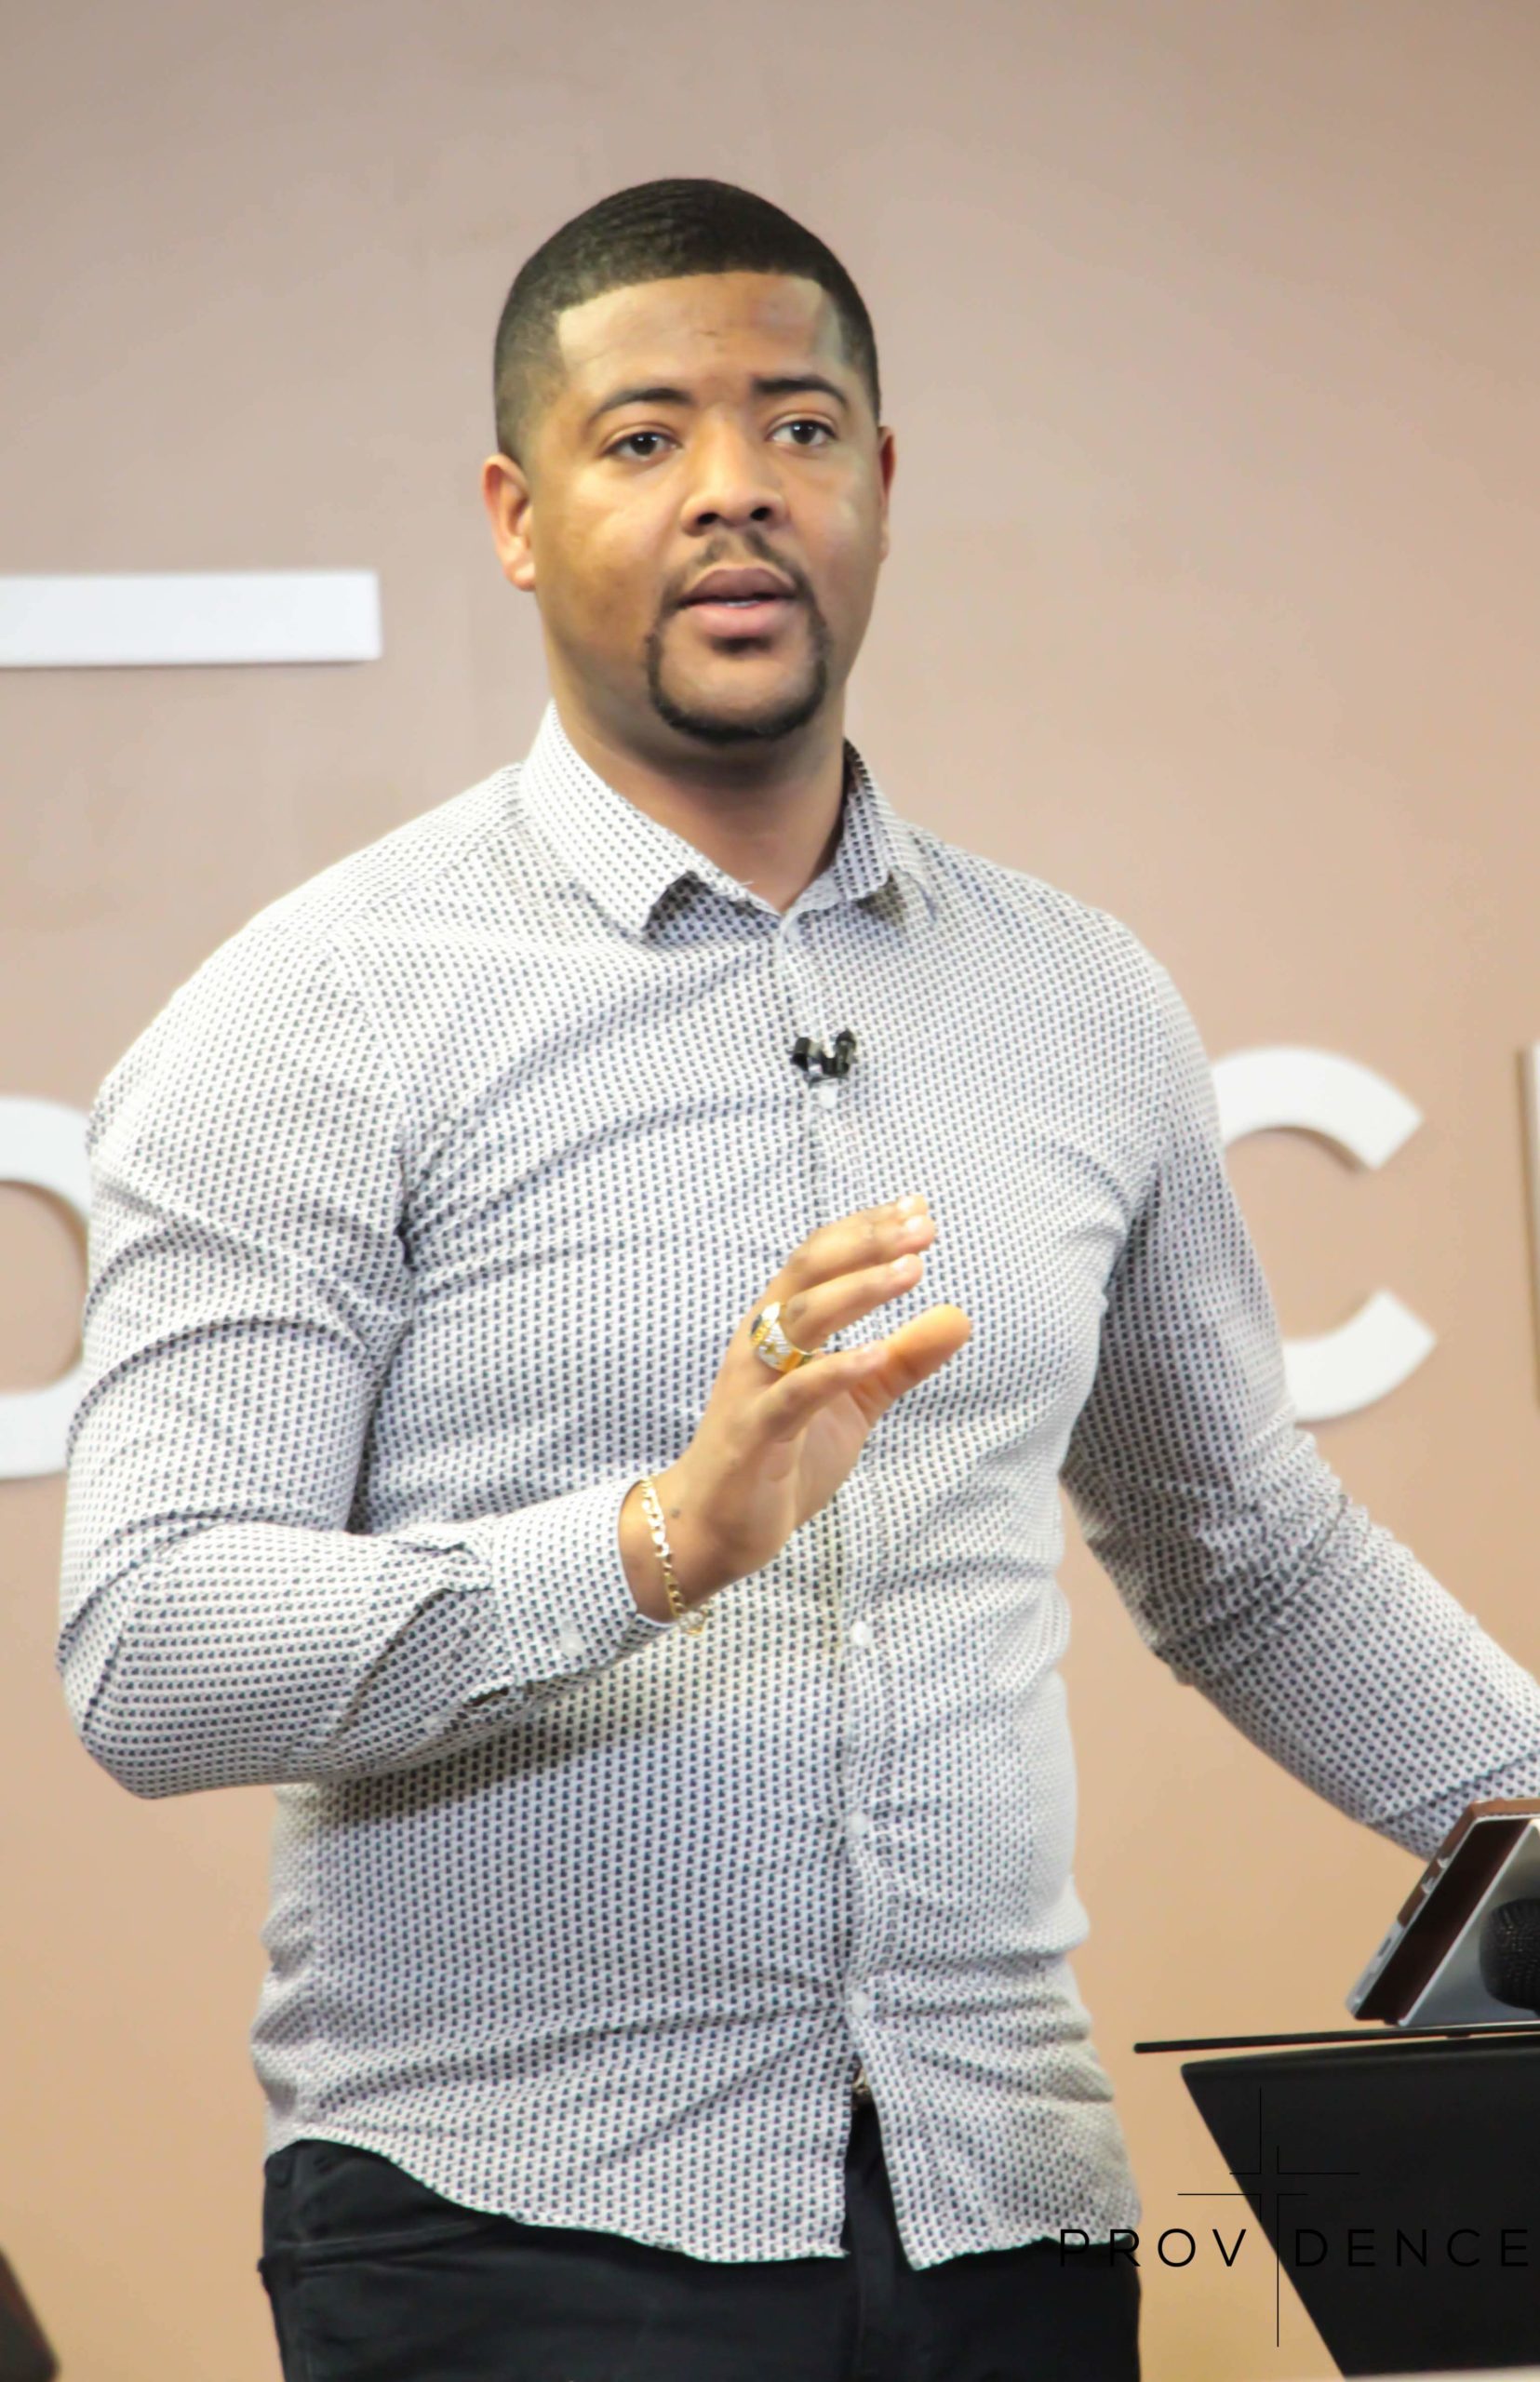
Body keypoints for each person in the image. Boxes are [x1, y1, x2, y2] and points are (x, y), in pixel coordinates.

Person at [56, 177, 1540, 2382]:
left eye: (801, 426)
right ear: (517, 515)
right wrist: (656, 1537)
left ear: (881, 484)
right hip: (508, 2231)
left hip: (1007, 2214)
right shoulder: (321, 1010)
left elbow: (1254, 1554)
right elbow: (153, 1642)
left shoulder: (1081, 998)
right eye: (645, 435)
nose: (736, 486)